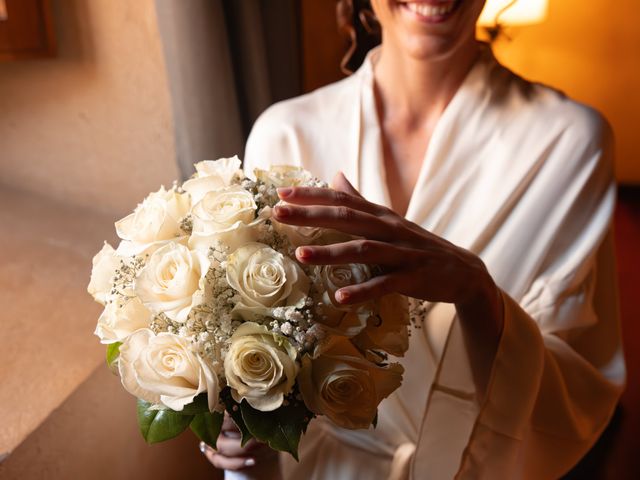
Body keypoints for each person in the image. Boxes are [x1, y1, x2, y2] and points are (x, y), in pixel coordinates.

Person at [201, 0, 625, 478]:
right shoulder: (285, 134)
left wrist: (477, 293)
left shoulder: (569, 143)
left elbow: (571, 401)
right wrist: (246, 434)